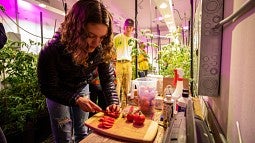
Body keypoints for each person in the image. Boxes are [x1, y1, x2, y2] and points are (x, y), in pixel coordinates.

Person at [37, 0, 120, 143]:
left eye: (102, 37)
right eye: (91, 36)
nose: (96, 43)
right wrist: (75, 99)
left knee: (83, 131)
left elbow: (107, 78)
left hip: (81, 87)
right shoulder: (51, 50)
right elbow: (48, 88)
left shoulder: (101, 47)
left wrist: (113, 101)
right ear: (76, 29)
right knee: (64, 136)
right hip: (58, 92)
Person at [113, 18, 134, 108]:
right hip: (119, 63)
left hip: (128, 63)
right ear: (123, 27)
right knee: (117, 85)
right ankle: (116, 106)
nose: (128, 29)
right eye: (126, 27)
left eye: (130, 27)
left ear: (133, 28)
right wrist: (114, 63)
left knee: (127, 86)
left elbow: (133, 53)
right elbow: (112, 50)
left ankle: (124, 107)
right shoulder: (117, 37)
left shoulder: (133, 41)